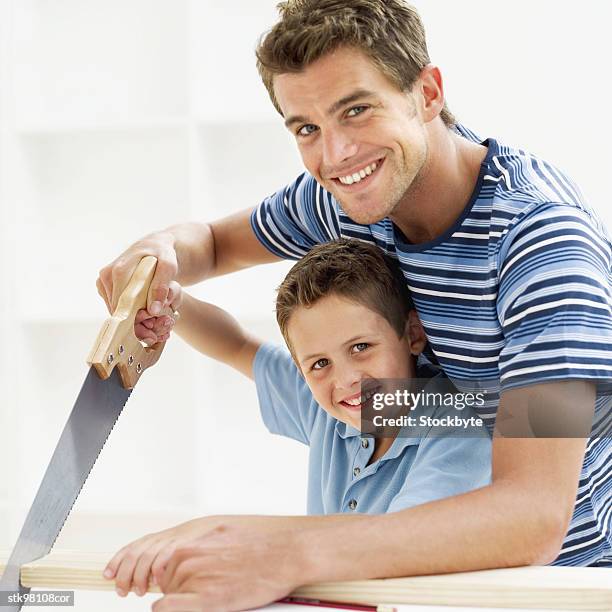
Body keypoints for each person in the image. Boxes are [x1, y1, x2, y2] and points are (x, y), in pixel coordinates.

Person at [97, 0, 611, 610]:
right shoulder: (350, 194)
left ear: (427, 92)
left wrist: (279, 548)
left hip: (559, 580)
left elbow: (531, 516)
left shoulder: (543, 249)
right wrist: (157, 258)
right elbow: (208, 244)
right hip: (429, 564)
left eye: (357, 110)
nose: (335, 154)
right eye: (306, 128)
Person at [102, 238, 491, 600]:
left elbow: (393, 539)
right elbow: (235, 344)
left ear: (413, 334)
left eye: (361, 347)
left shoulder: (456, 421)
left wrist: (215, 531)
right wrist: (168, 303)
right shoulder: (324, 407)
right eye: (319, 363)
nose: (345, 380)